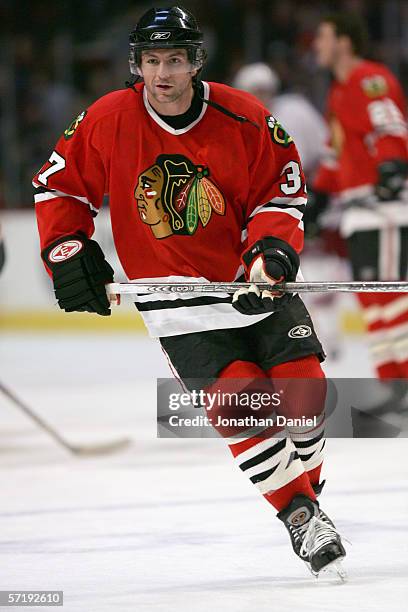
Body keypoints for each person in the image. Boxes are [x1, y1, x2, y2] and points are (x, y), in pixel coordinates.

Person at [33, 6, 345, 576]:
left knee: (305, 395)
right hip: (175, 300)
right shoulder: (108, 118)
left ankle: (309, 484)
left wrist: (270, 251)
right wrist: (67, 249)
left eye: (174, 60)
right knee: (242, 401)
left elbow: (281, 191)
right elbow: (59, 188)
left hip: (250, 282)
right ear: (138, 65)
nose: (162, 74)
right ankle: (300, 513)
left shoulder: (243, 115)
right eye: (151, 61)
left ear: (194, 62)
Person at [313, 13, 408, 382]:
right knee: (371, 301)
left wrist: (390, 165)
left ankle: (401, 381)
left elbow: (390, 125)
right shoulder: (338, 92)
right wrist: (320, 195)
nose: (317, 46)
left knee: (390, 298)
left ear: (344, 42)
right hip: (358, 211)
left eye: (323, 37)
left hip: (382, 207)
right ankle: (390, 380)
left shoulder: (369, 79)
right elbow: (335, 153)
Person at [232, 62, 327, 178]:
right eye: (255, 92)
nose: (260, 97)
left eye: (265, 91)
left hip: (312, 184)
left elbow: (325, 141)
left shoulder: (295, 107)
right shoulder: (238, 127)